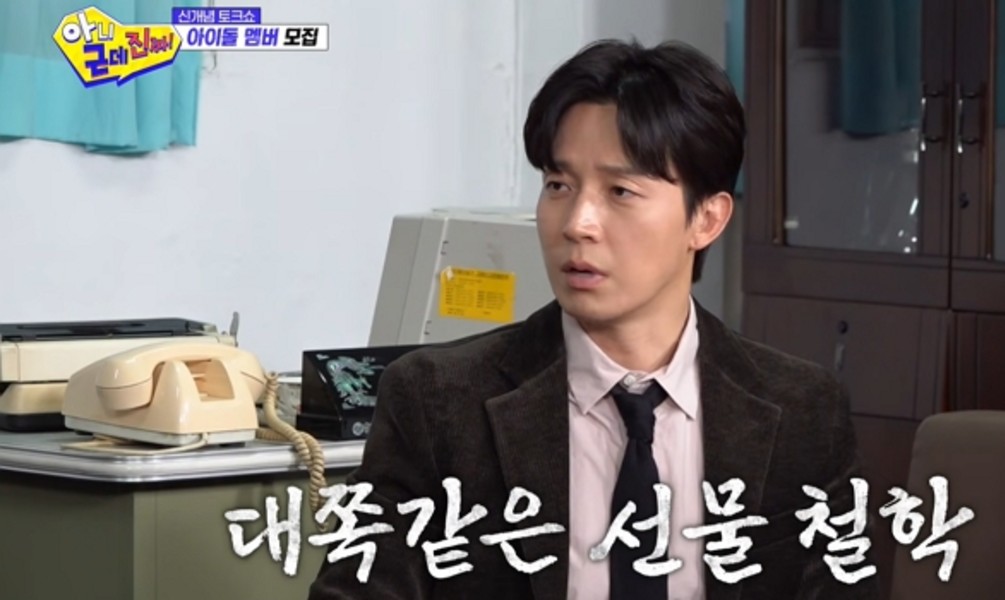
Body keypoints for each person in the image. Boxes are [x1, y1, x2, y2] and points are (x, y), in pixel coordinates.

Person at [308, 38, 876, 600]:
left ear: (706, 219)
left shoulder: (803, 410)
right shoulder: (436, 401)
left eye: (620, 191)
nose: (577, 223)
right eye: (558, 185)